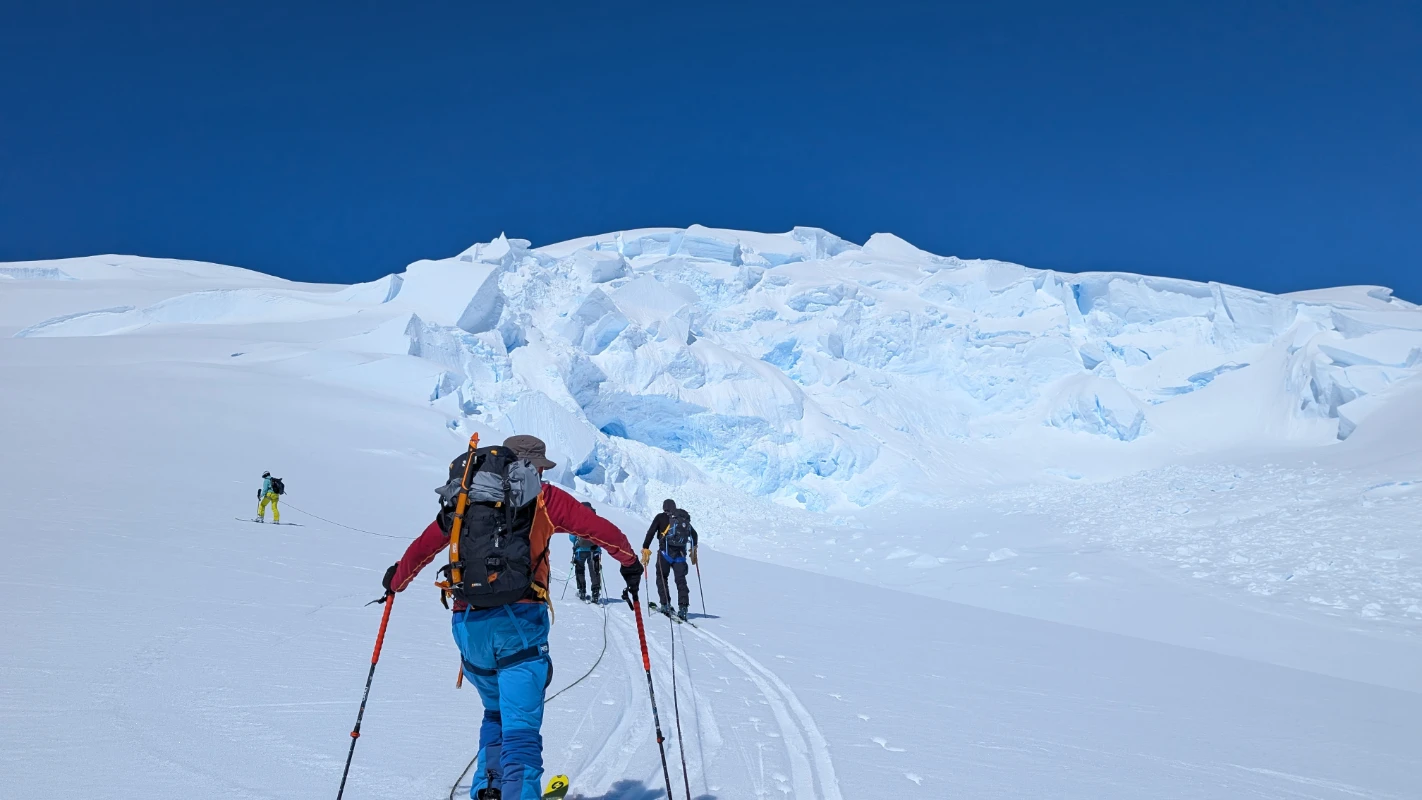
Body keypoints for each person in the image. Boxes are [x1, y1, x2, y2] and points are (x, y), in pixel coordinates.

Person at [381, 434, 642, 800]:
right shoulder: (544, 498)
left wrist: (396, 581)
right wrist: (630, 564)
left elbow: (424, 546)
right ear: (530, 466)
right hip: (519, 623)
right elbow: (599, 530)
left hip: (469, 627)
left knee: (496, 713)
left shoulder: (465, 499)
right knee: (521, 730)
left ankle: (490, 788)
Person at [640, 498, 699, 621]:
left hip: (665, 554)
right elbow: (694, 535)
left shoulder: (660, 517)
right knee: (681, 581)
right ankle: (683, 608)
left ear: (664, 507)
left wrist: (645, 548)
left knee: (662, 577)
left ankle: (665, 604)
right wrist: (693, 549)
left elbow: (650, 533)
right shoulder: (682, 519)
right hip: (680, 556)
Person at [566, 502, 602, 603]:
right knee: (594, 571)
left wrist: (576, 542)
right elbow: (601, 535)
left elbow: (571, 537)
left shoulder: (577, 520)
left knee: (580, 570)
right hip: (594, 550)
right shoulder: (596, 520)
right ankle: (595, 592)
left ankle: (582, 591)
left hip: (579, 550)